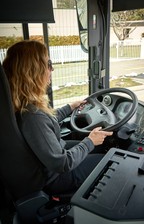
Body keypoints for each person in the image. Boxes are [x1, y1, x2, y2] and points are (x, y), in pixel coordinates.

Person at [2, 40, 113, 196]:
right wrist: (89, 141)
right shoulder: (32, 116)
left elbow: (47, 122)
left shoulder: (24, 104)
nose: (52, 69)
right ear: (33, 71)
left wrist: (70, 107)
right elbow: (63, 163)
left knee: (102, 146)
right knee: (109, 161)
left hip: (52, 158)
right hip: (58, 177)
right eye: (48, 64)